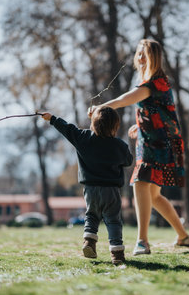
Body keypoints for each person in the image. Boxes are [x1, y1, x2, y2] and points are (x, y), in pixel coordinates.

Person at [88, 39, 189, 255]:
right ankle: (183, 236)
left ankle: (142, 242)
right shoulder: (156, 82)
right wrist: (139, 124)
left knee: (139, 183)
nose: (140, 58)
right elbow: (159, 111)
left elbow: (126, 99)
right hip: (157, 141)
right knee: (154, 196)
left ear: (155, 58)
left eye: (145, 54)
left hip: (157, 145)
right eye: (138, 54)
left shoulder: (153, 84)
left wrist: (101, 107)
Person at [41, 106, 133, 265]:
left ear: (93, 124)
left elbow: (67, 129)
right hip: (111, 191)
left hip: (90, 190)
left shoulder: (83, 138)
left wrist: (52, 119)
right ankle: (117, 254)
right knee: (113, 220)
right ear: (116, 127)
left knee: (92, 215)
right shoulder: (120, 146)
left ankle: (89, 242)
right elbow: (128, 161)